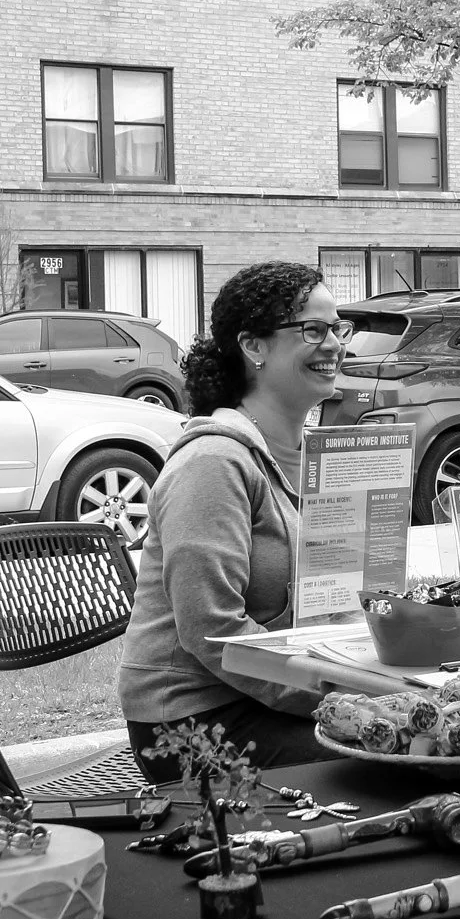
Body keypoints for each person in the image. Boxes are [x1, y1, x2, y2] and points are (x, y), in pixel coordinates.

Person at [119, 260, 353, 782]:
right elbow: (212, 627)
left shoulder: (308, 456)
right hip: (192, 724)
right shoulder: (214, 463)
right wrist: (339, 698)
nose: (335, 344)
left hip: (269, 701)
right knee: (407, 758)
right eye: (313, 330)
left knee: (439, 735)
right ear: (254, 347)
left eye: (339, 329)